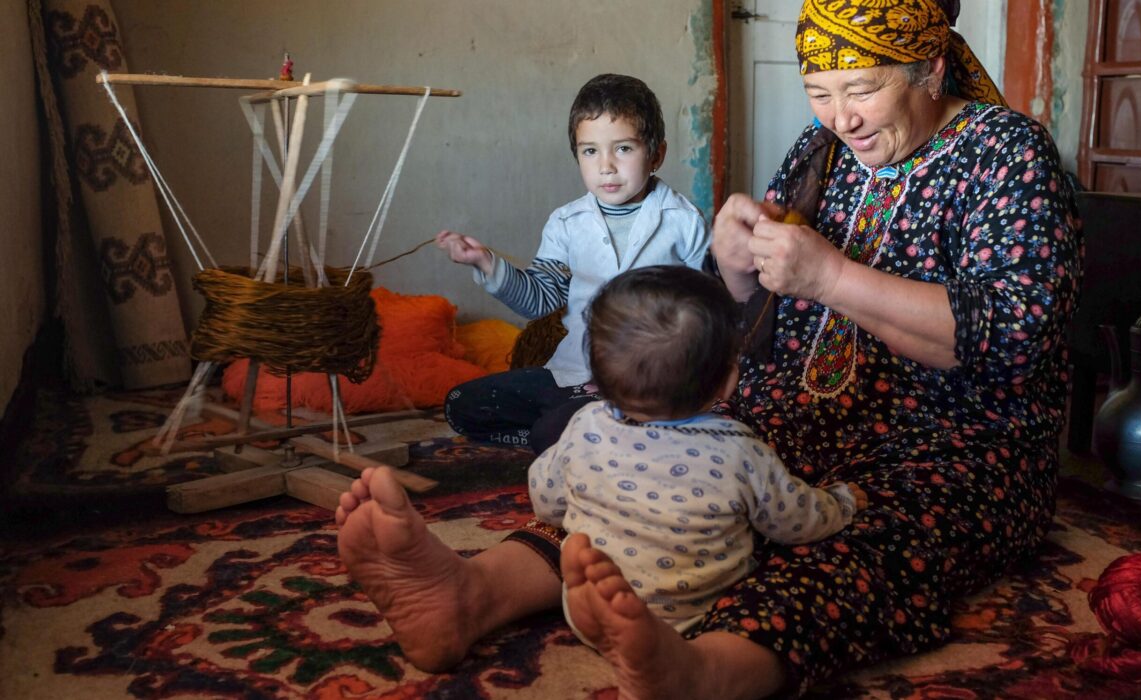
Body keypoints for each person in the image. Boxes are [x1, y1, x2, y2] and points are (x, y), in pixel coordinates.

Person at [336, 1, 1084, 696]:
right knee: (646, 466)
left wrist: (832, 277)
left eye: (862, 89)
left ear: (929, 69)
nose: (840, 117)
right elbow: (743, 313)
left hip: (950, 442)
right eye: (819, 91)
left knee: (867, 539)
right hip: (793, 412)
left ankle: (704, 671)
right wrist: (731, 265)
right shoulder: (820, 146)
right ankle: (472, 594)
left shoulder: (1006, 155)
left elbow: (1015, 339)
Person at [529, 265, 861, 639]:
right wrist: (840, 503)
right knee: (792, 572)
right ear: (727, 380)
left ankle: (595, 616)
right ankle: (666, 648)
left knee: (577, 540)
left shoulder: (585, 425)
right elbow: (795, 522)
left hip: (594, 603)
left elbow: (546, 501)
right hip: (698, 619)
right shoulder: (741, 451)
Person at [435, 73, 710, 455]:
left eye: (624, 149)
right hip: (573, 373)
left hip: (650, 379)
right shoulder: (566, 222)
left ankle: (578, 433)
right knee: (461, 404)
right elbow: (539, 301)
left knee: (553, 429)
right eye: (590, 151)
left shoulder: (683, 221)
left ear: (656, 154)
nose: (607, 166)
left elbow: (708, 311)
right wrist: (486, 263)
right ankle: (583, 434)